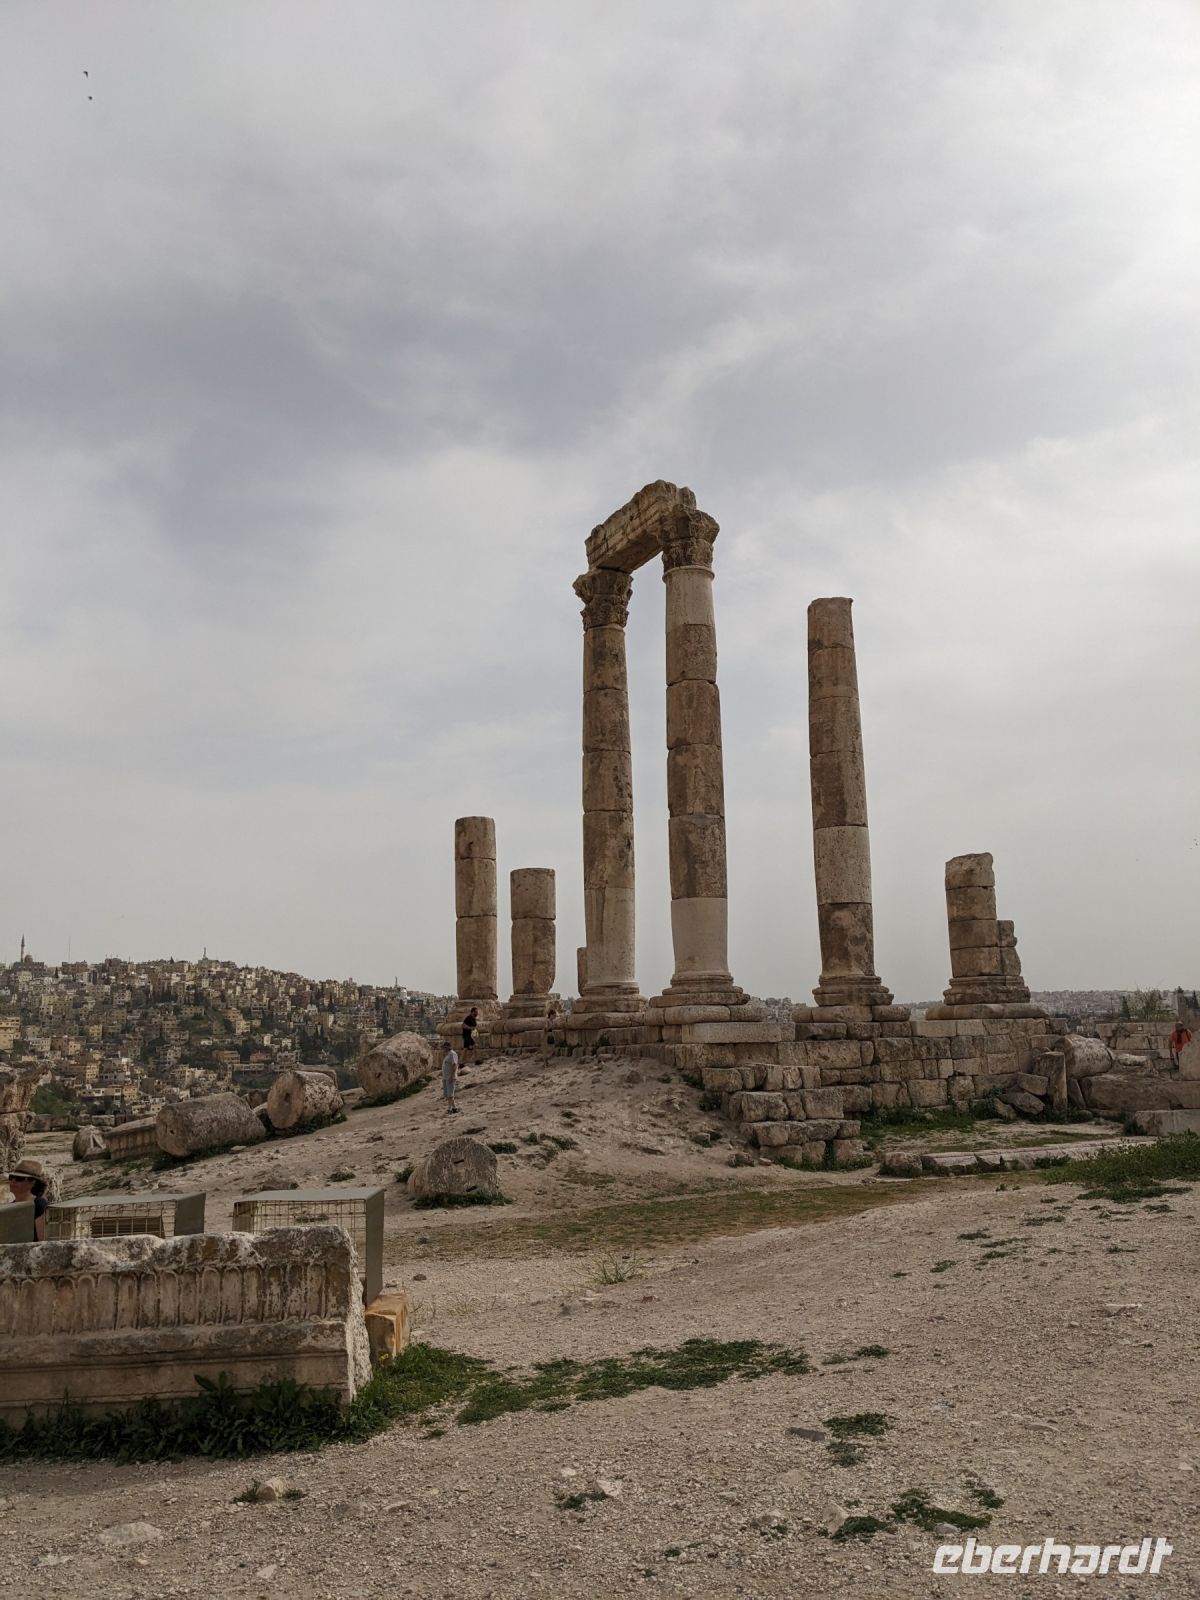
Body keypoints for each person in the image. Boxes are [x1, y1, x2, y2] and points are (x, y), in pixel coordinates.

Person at [7, 1159, 50, 1241]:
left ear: (32, 1182)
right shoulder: (10, 1207)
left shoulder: (39, 1205)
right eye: (11, 1177)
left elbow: (43, 1240)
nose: (13, 1181)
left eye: (19, 1178)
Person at [441, 1043, 460, 1114]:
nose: (442, 1049)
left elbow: (455, 1065)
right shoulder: (448, 1055)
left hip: (450, 1077)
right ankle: (454, 1108)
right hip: (446, 1077)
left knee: (450, 1094)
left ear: (446, 1047)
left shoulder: (452, 1054)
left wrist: (451, 1076)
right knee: (448, 1094)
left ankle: (449, 1109)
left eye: (443, 1048)